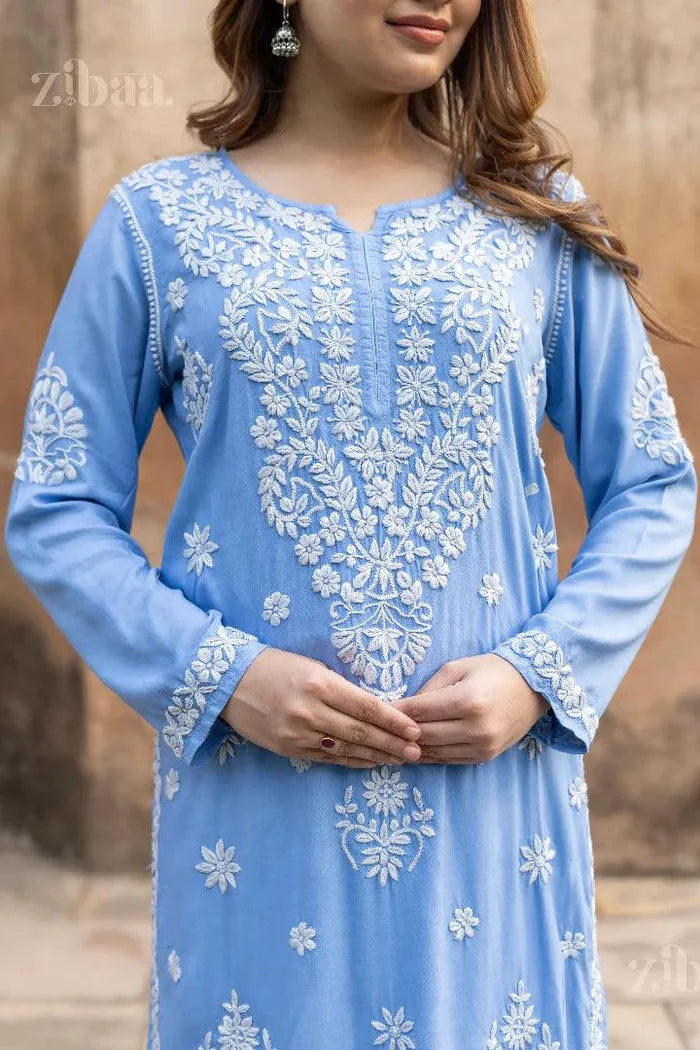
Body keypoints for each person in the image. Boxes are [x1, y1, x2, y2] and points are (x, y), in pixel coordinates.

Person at [5, 1, 697, 1047]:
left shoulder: (531, 217)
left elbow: (651, 483)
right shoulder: (160, 225)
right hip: (260, 805)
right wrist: (224, 675)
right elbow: (56, 506)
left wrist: (535, 674)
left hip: (490, 810)